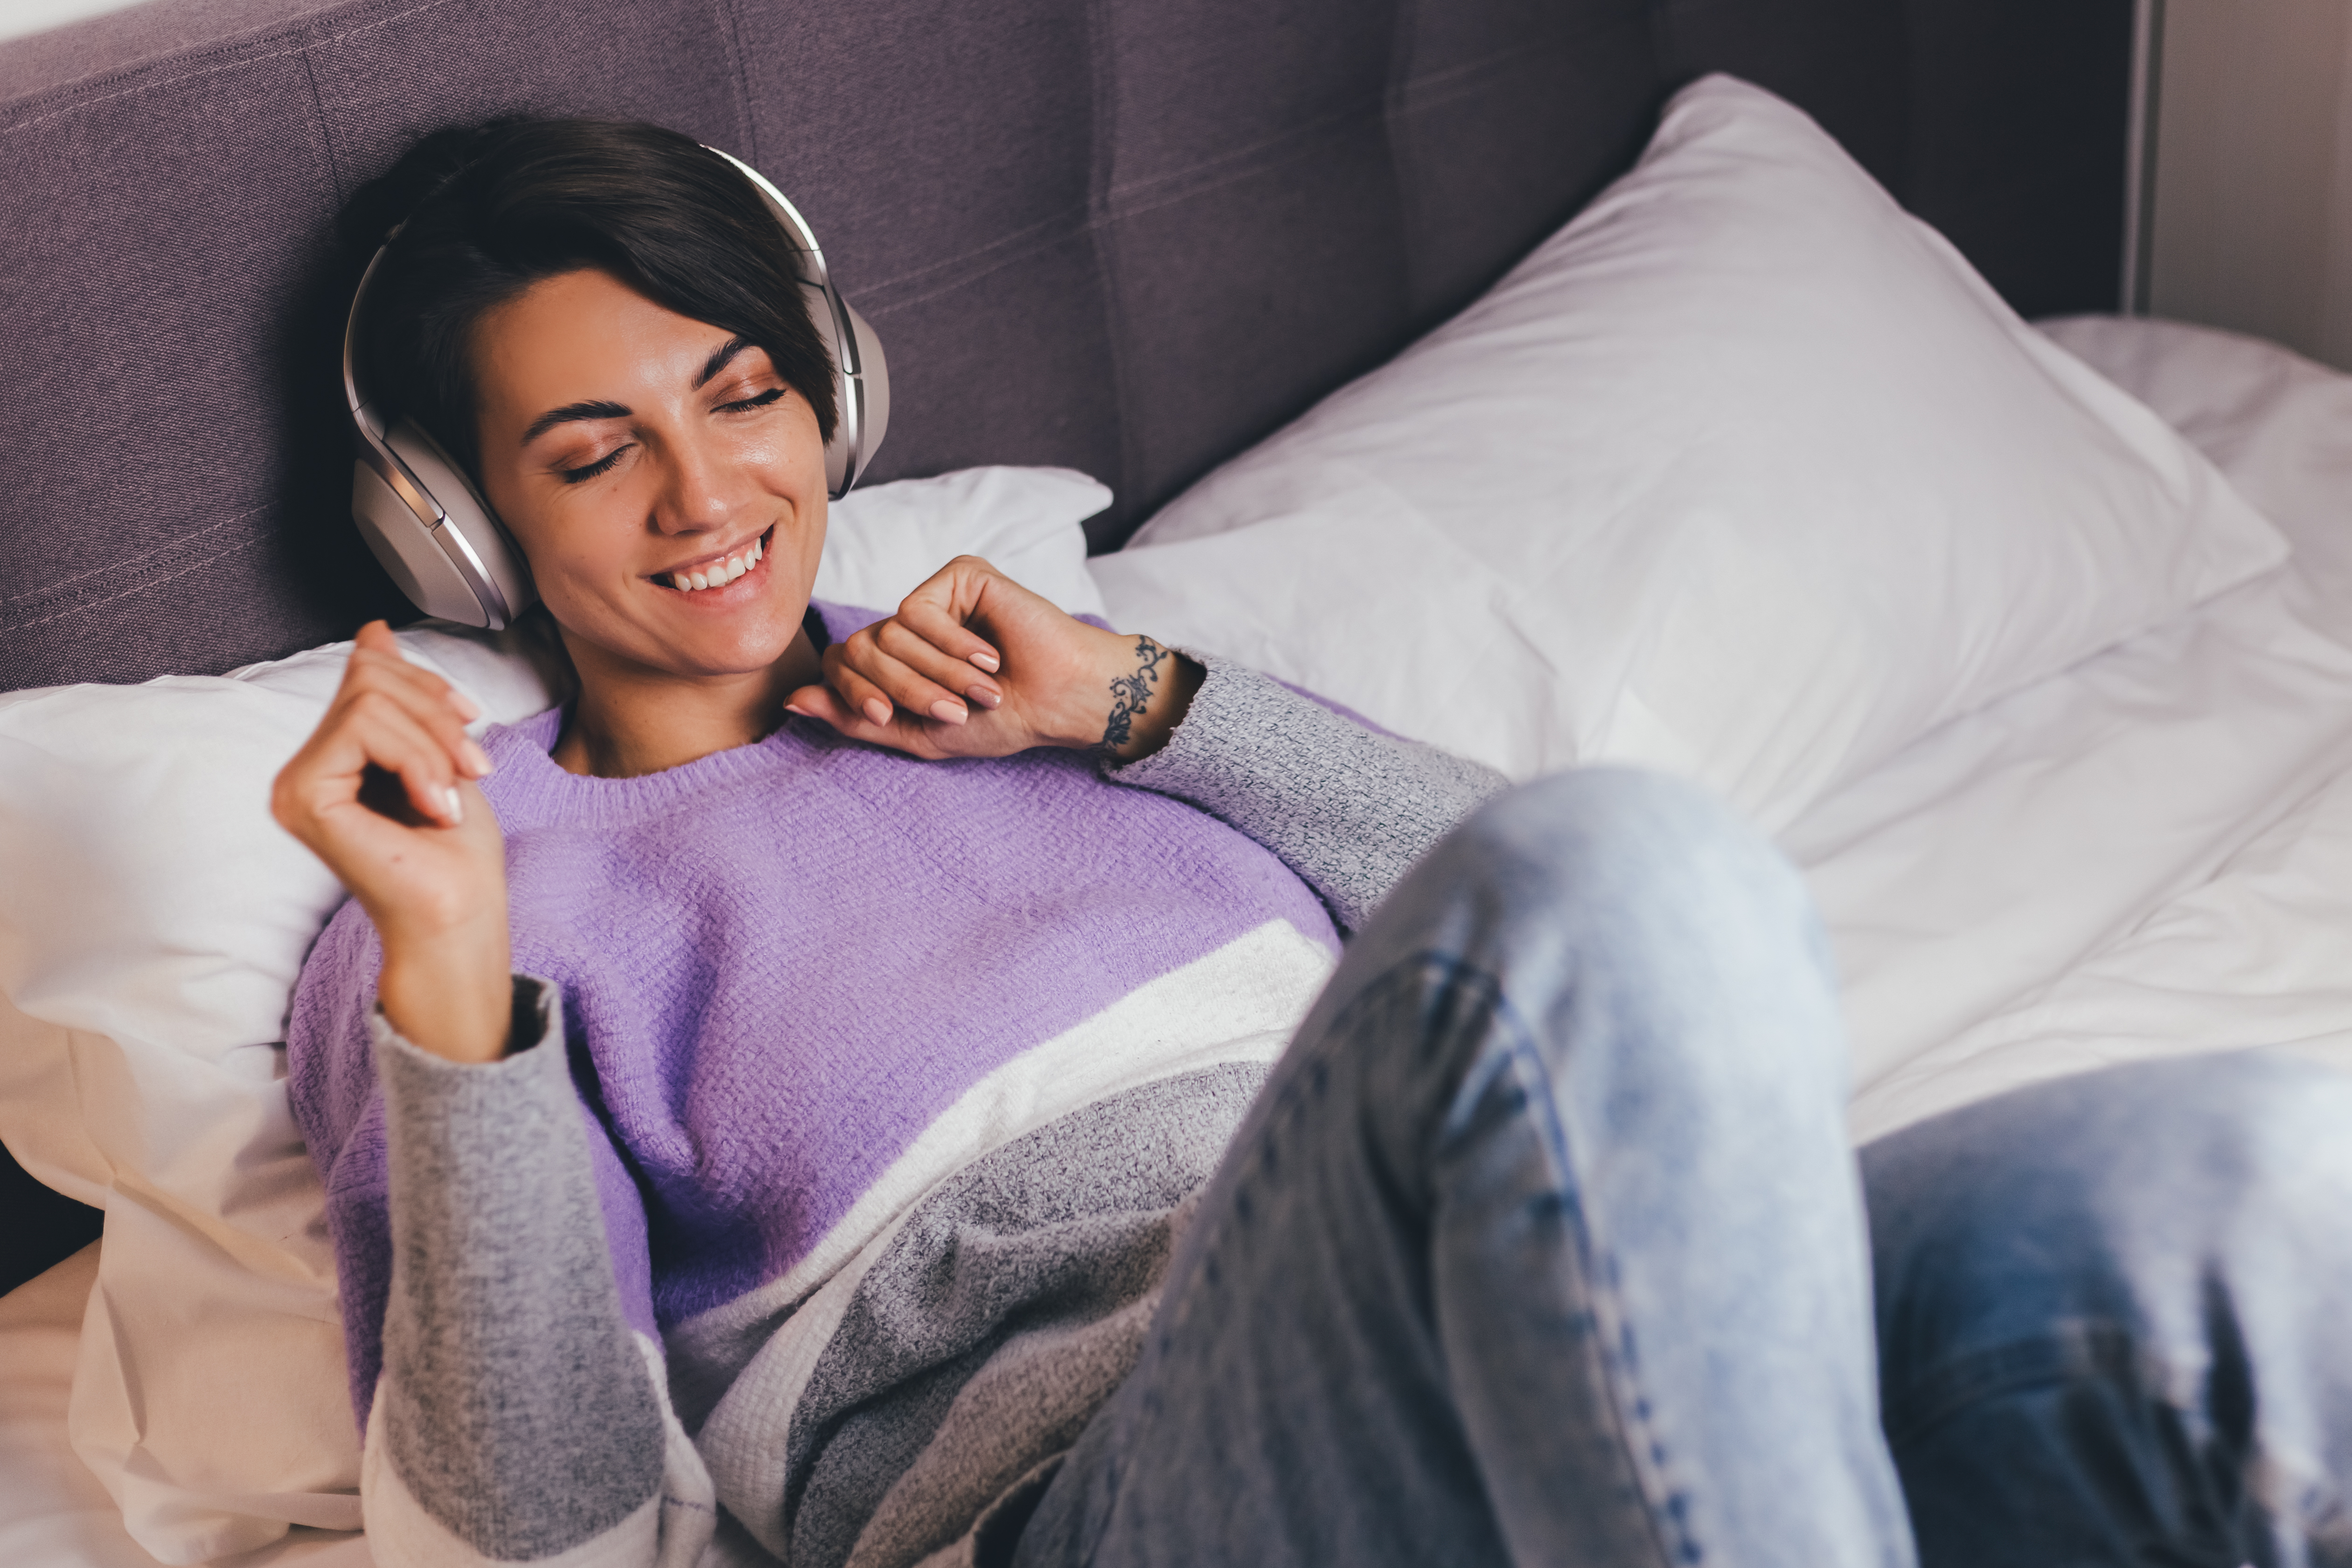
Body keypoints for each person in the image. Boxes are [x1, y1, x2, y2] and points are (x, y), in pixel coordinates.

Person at [276, 118, 2352, 1568]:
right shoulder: (478, 894)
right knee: (1620, 867)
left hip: (1583, 1350)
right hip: (1124, 1487)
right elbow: (534, 1539)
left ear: (831, 397)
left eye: (741, 395)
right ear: (461, 529)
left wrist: (1142, 707)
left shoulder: (1034, 682)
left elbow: (1605, 995)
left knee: (2238, 1185)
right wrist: (459, 996)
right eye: (587, 449)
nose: (702, 485)